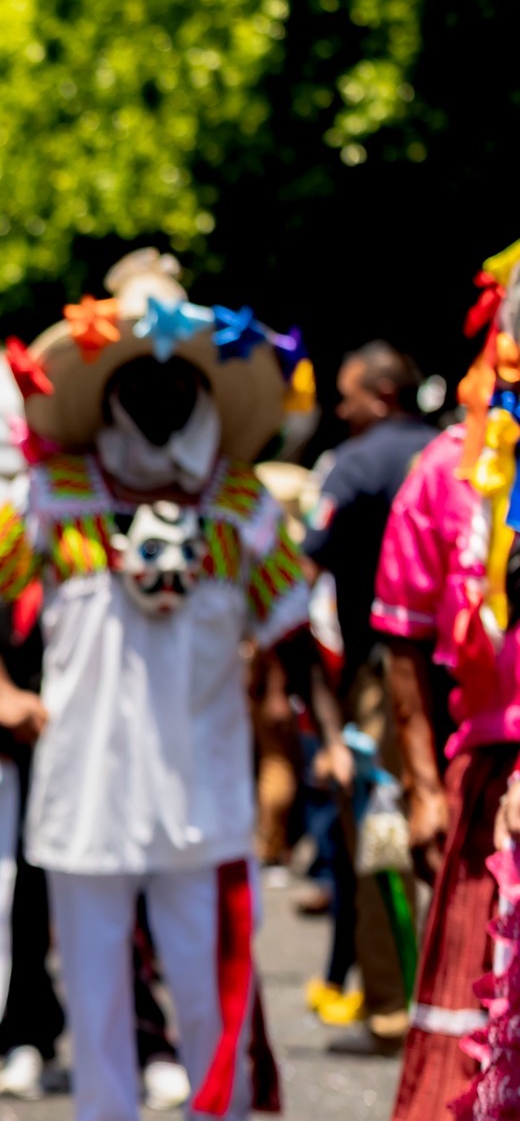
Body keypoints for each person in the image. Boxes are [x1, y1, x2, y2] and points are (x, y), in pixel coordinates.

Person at [0, 251, 314, 1121]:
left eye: (176, 378)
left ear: (203, 387)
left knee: (207, 992)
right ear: (108, 386)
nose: (157, 393)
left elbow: (294, 627)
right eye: (137, 377)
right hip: (85, 791)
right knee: (96, 998)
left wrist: (296, 741)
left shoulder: (244, 506)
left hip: (205, 794)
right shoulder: (52, 495)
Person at [376, 242, 520, 1121]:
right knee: (478, 1028)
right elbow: (403, 642)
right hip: (488, 782)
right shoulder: (445, 472)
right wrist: (425, 789)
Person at [302, 341, 434, 1044]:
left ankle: (392, 1008)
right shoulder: (458, 452)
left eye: (348, 395)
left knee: (383, 832)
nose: (339, 407)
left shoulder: (353, 464)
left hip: (386, 678)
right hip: (464, 678)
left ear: (382, 396)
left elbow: (301, 569)